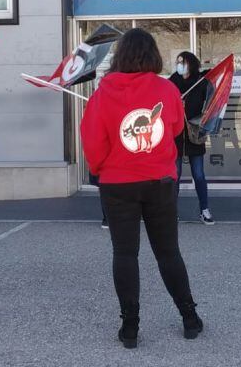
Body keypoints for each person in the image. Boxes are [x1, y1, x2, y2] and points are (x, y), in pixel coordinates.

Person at [81, 28, 203, 349]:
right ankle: (189, 317)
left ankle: (131, 326)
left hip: (118, 184)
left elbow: (93, 143)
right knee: (168, 252)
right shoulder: (166, 89)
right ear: (153, 55)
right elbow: (175, 127)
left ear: (120, 55)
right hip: (159, 182)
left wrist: (102, 170)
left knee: (125, 254)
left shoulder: (103, 93)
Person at [168, 51, 214, 225]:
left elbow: (209, 101)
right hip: (177, 133)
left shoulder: (200, 81)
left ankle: (205, 209)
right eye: (178, 61)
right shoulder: (173, 81)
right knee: (175, 175)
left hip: (194, 133)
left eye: (183, 62)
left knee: (199, 174)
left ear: (191, 63)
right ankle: (171, 211)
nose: (180, 64)